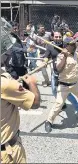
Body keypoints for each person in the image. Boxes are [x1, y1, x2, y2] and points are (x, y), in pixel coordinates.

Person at [1, 17, 41, 163]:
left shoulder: (15, 37)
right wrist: (33, 84)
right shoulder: (4, 84)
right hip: (8, 153)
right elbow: (14, 50)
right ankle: (22, 98)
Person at [45, 37, 78, 133]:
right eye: (72, 44)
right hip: (64, 85)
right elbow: (58, 69)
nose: (74, 45)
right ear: (66, 46)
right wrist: (64, 56)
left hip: (76, 83)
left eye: (74, 44)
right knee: (59, 104)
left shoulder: (76, 54)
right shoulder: (61, 56)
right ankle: (49, 121)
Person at [43, 30, 78, 116]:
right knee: (54, 90)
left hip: (65, 74)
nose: (58, 38)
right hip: (55, 72)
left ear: (62, 37)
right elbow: (46, 55)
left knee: (67, 94)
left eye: (59, 37)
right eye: (56, 37)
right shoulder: (50, 46)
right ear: (53, 37)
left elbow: (75, 47)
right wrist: (45, 61)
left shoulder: (65, 45)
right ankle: (62, 104)